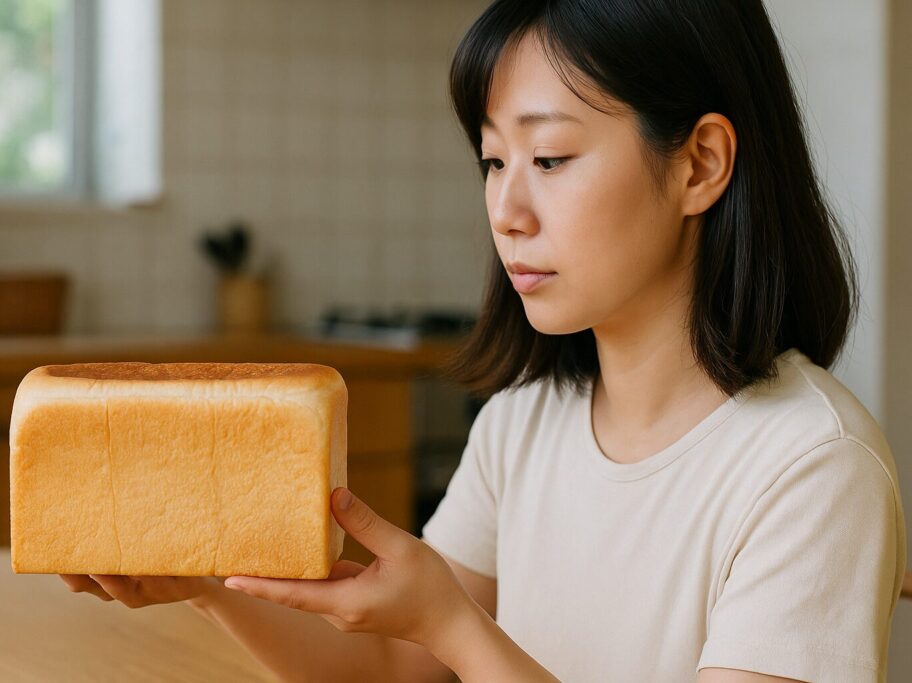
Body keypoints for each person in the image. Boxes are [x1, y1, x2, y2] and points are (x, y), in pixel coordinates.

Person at [61, 1, 907, 681]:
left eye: (551, 158)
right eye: (494, 162)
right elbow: (394, 667)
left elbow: (443, 641)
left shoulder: (814, 468)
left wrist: (454, 626)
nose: (506, 211)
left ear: (701, 164)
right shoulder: (521, 423)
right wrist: (208, 583)